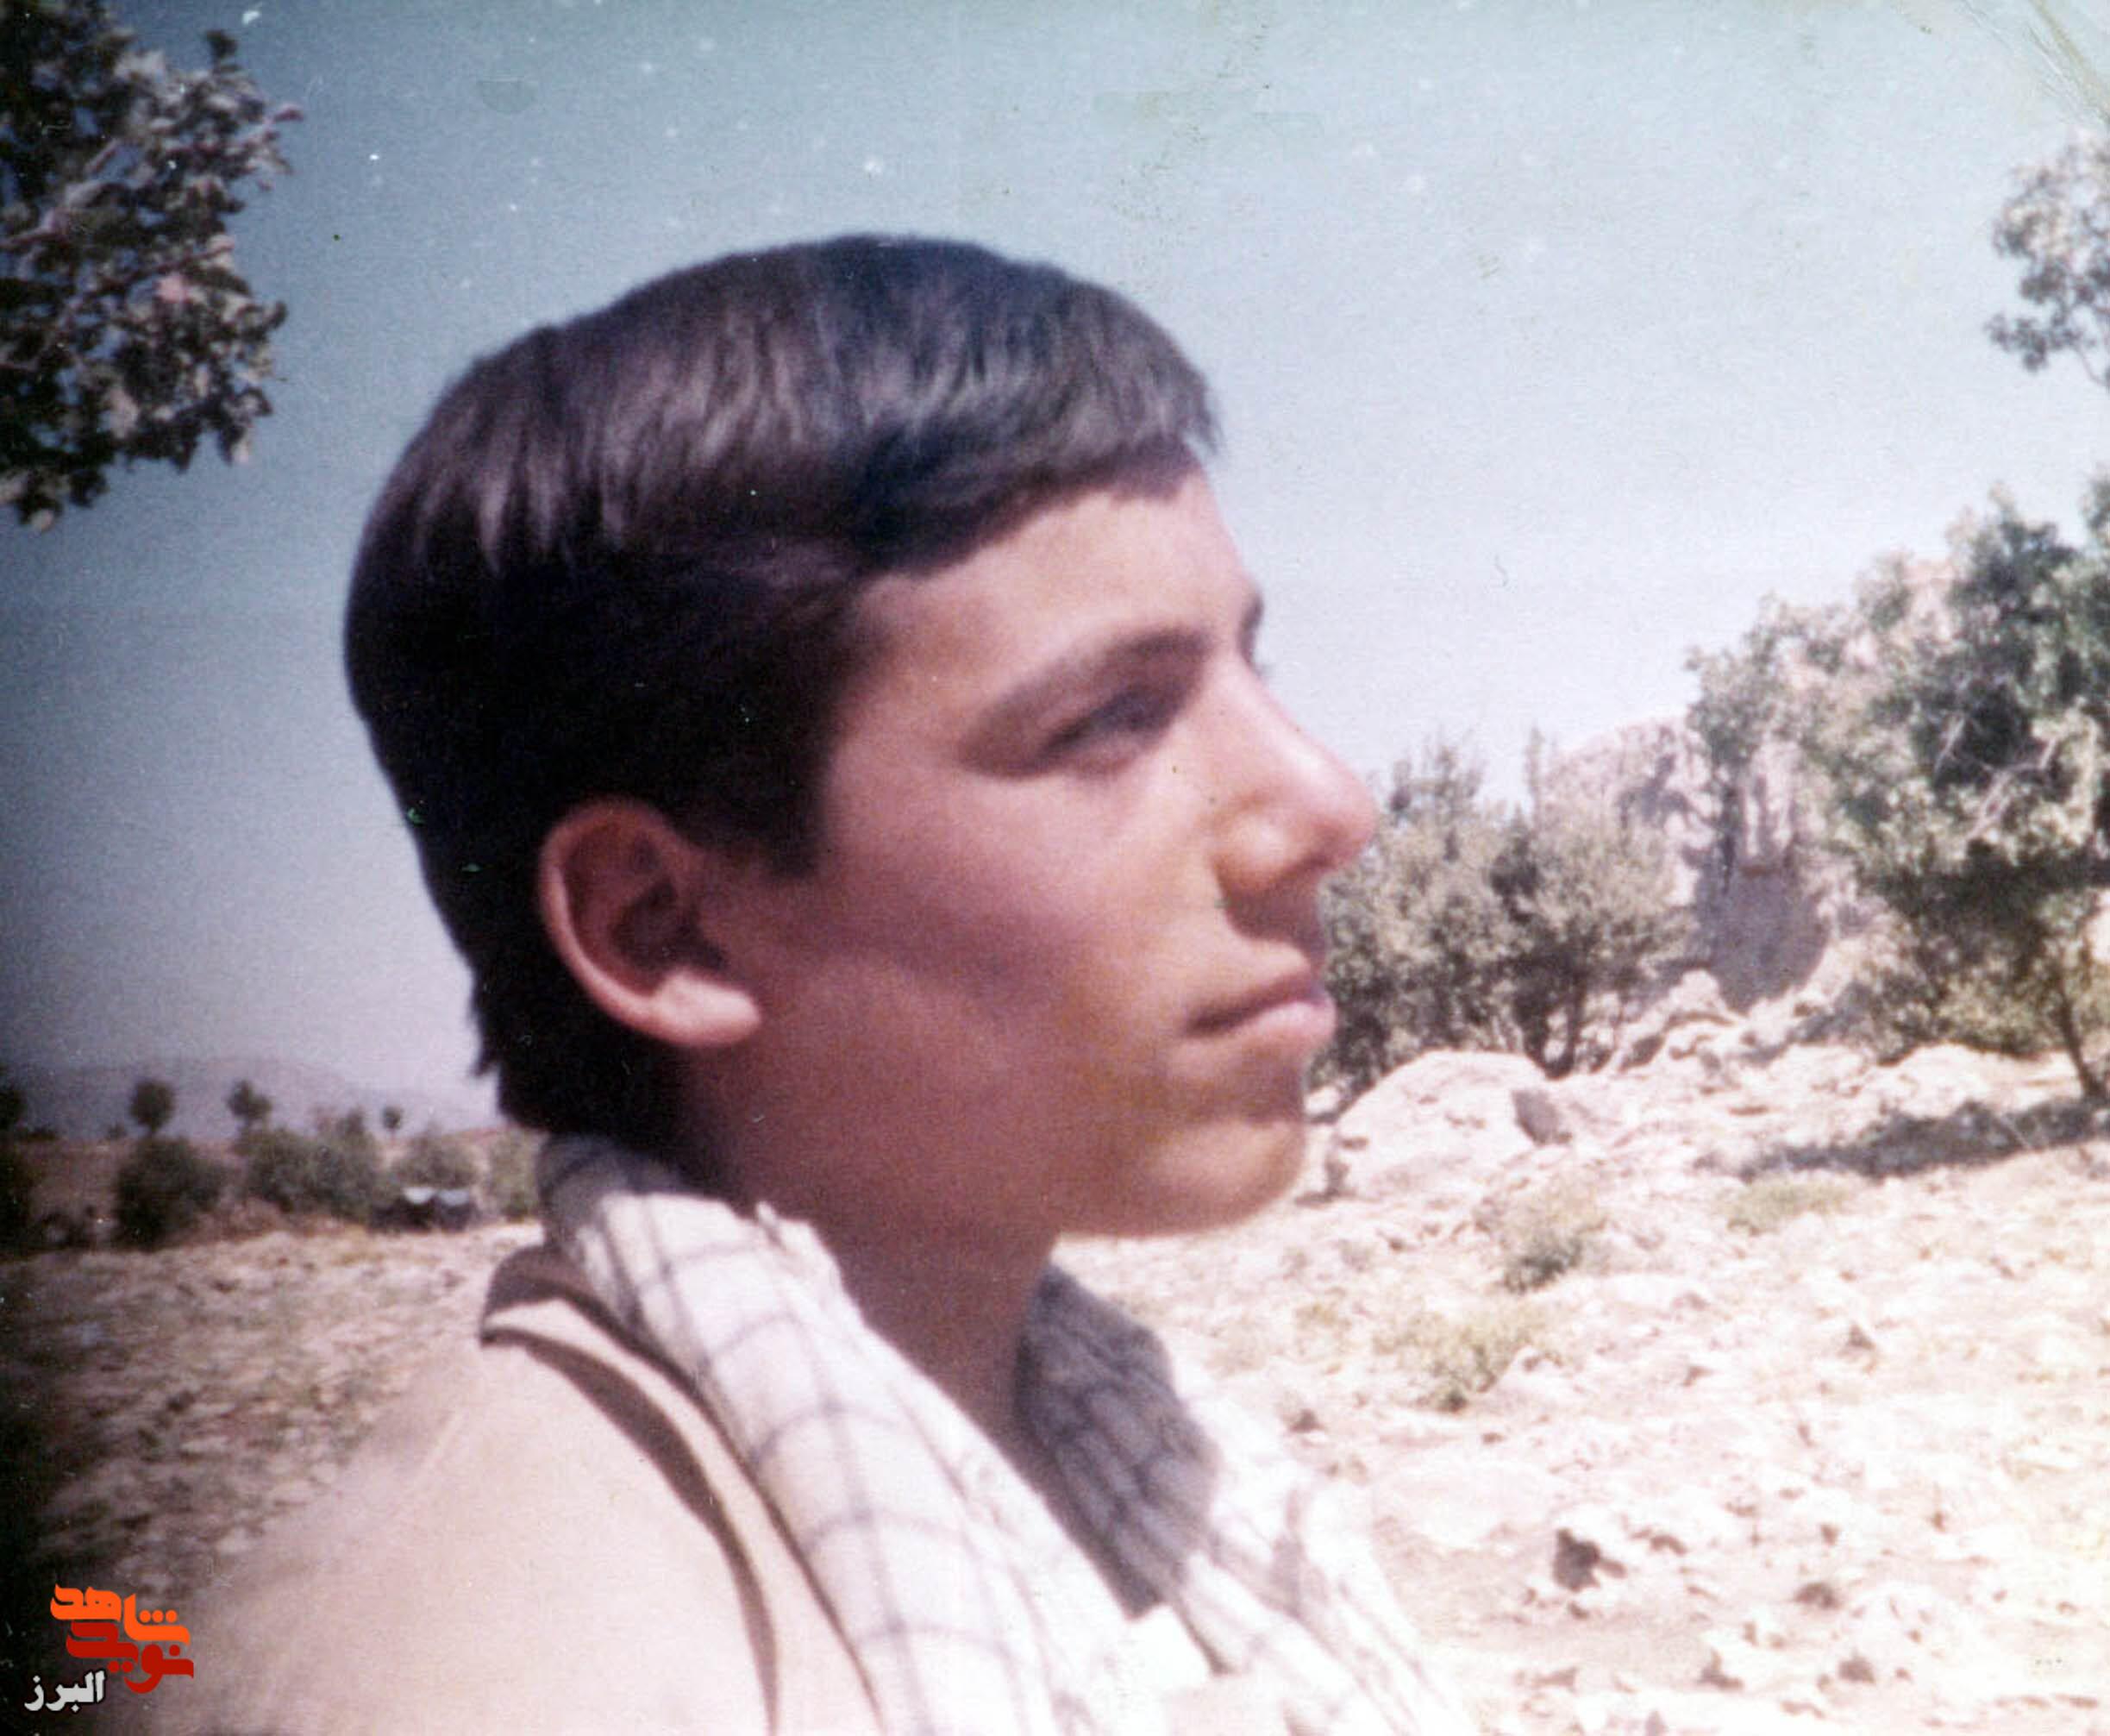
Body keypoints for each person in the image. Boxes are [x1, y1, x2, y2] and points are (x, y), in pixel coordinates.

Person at [153, 236, 1473, 1733]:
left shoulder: (1120, 1452)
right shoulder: (466, 1682)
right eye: (1113, 716)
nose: (1329, 802)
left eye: (1251, 665)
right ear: (664, 928)